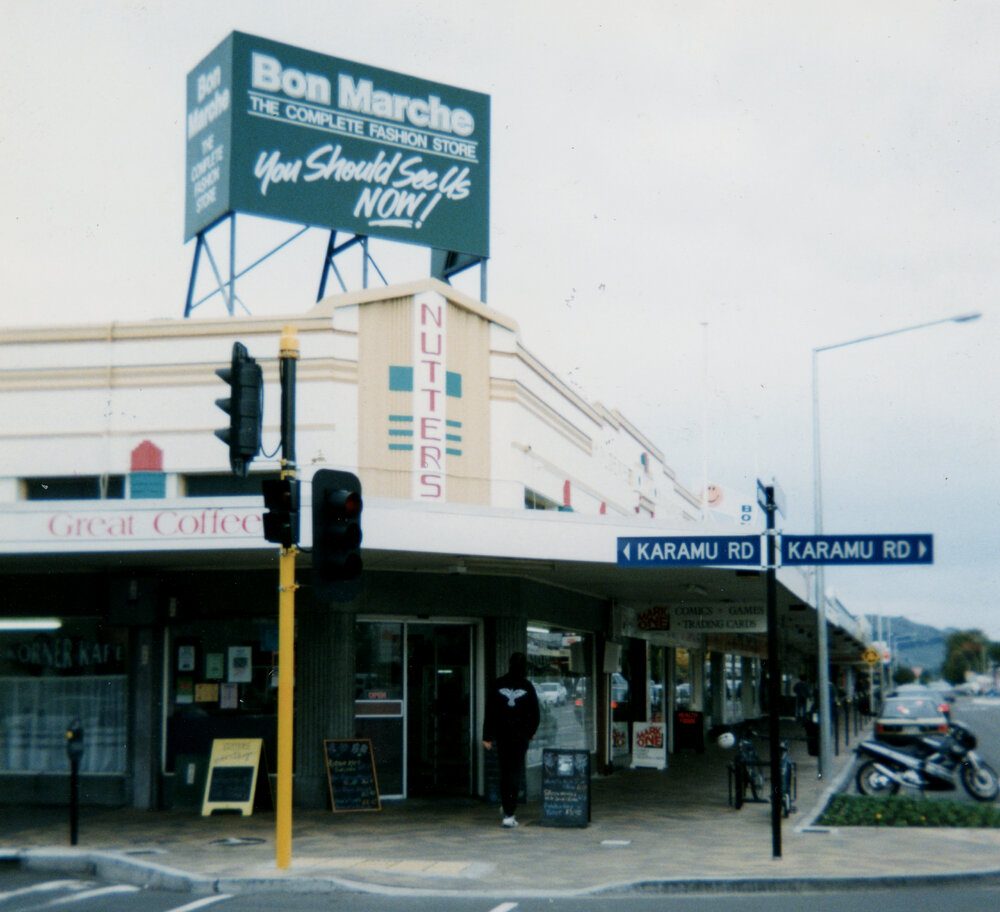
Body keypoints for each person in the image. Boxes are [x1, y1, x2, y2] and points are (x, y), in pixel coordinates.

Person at [482, 651, 540, 827]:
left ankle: (506, 807)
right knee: (515, 772)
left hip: (502, 736)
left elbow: (490, 712)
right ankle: (509, 813)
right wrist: (530, 733)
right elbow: (535, 714)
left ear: (509, 664)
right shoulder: (527, 686)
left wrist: (487, 737)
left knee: (505, 771)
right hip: (520, 737)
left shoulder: (498, 684)